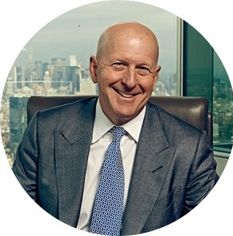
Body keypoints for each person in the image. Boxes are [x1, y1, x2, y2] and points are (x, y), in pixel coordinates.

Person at [12, 22, 218, 235]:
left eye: (142, 69)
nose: (130, 81)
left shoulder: (190, 148)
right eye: (119, 65)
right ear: (94, 69)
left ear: (155, 77)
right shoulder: (45, 130)